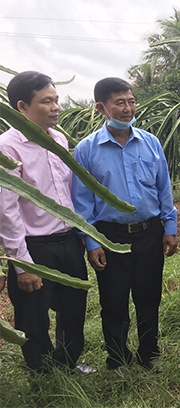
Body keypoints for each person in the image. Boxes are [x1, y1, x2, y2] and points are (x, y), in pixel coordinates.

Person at [71, 77, 178, 372]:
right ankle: (117, 359)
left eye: (131, 101)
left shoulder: (150, 142)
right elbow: (82, 202)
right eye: (120, 102)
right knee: (114, 301)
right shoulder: (86, 150)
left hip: (149, 232)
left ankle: (149, 353)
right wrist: (92, 242)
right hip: (110, 236)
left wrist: (170, 227)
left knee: (149, 297)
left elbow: (163, 188)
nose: (128, 108)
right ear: (102, 108)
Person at [0, 71, 94, 374]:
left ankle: (66, 364)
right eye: (47, 101)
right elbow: (7, 210)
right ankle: (42, 376)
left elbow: (64, 190)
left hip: (67, 241)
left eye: (56, 100)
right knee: (34, 316)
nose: (56, 107)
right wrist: (23, 264)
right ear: (22, 106)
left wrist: (79, 234)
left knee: (73, 308)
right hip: (33, 248)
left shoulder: (59, 138)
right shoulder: (7, 148)